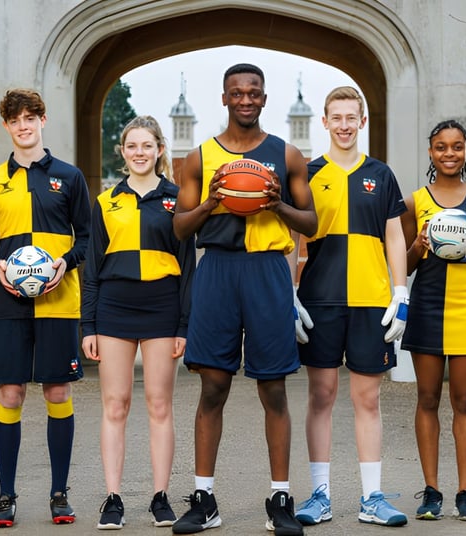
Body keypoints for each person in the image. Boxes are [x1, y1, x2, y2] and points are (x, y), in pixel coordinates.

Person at [170, 63, 317, 536]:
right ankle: (204, 498)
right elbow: (179, 227)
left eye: (254, 92)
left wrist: (276, 204)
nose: (246, 99)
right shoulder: (199, 157)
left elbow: (311, 223)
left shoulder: (287, 154)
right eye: (237, 92)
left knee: (273, 387)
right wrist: (211, 202)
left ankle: (280, 498)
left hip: (268, 271)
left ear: (265, 98)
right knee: (212, 385)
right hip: (218, 269)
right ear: (225, 98)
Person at [0, 89, 91, 527]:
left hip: (59, 302)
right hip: (11, 304)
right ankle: (6, 496)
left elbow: (87, 238)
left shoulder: (70, 176)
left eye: (30, 117)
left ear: (43, 120)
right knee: (10, 393)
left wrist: (64, 262)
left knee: (57, 391)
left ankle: (60, 494)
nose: (24, 125)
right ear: (7, 126)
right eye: (15, 119)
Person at [289, 86, 408, 529]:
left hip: (371, 301)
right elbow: (293, 239)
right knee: (321, 396)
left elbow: (394, 236)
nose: (343, 124)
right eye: (335, 117)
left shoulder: (382, 173)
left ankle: (371, 497)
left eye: (350, 117)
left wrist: (401, 292)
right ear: (324, 122)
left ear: (361, 122)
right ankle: (319, 495)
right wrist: (289, 293)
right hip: (319, 300)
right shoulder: (307, 174)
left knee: (367, 398)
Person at [80, 115, 195, 529]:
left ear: (160, 149)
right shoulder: (106, 201)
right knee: (115, 404)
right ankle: (113, 498)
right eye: (132, 146)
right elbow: (91, 268)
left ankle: (160, 497)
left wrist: (185, 326)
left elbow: (188, 266)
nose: (140, 153)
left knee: (160, 404)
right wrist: (87, 325)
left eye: (147, 145)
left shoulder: (178, 199)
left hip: (163, 308)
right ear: (123, 152)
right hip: (113, 309)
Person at [400, 120, 466, 522]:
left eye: (456, 147)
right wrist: (419, 243)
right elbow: (403, 266)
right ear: (431, 152)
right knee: (427, 399)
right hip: (427, 303)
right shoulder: (415, 201)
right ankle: (431, 491)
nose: (449, 154)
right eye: (441, 147)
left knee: (464, 400)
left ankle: (465, 492)